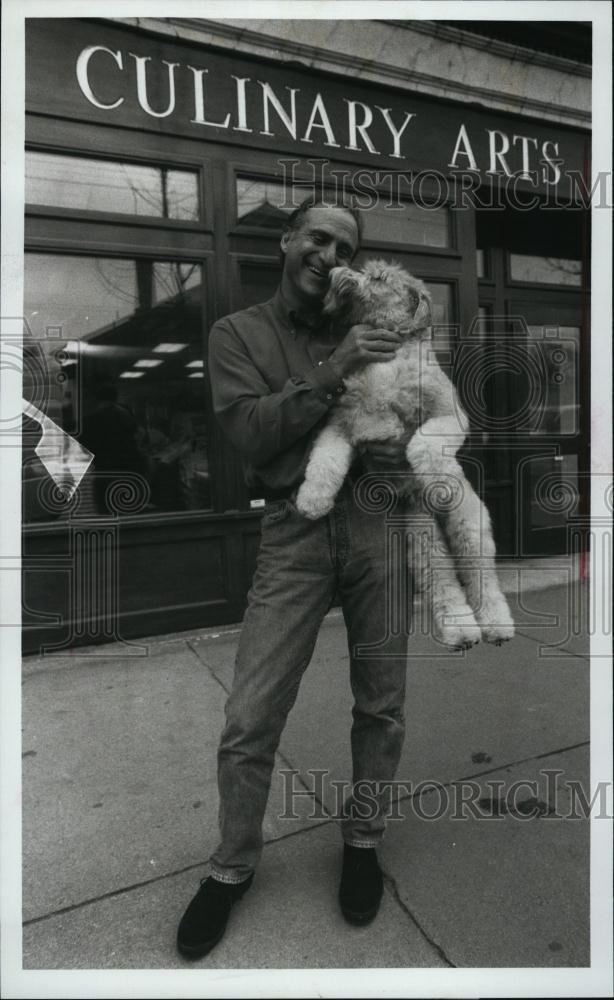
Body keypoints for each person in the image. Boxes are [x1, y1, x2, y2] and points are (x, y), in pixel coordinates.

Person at [177, 196, 411, 960]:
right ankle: (232, 865)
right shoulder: (238, 333)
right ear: (286, 242)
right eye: (317, 235)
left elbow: (413, 415)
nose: (328, 253)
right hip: (293, 529)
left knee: (381, 703)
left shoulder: (375, 323)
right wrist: (339, 367)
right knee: (250, 716)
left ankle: (364, 841)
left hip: (375, 520)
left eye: (344, 244)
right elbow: (251, 432)